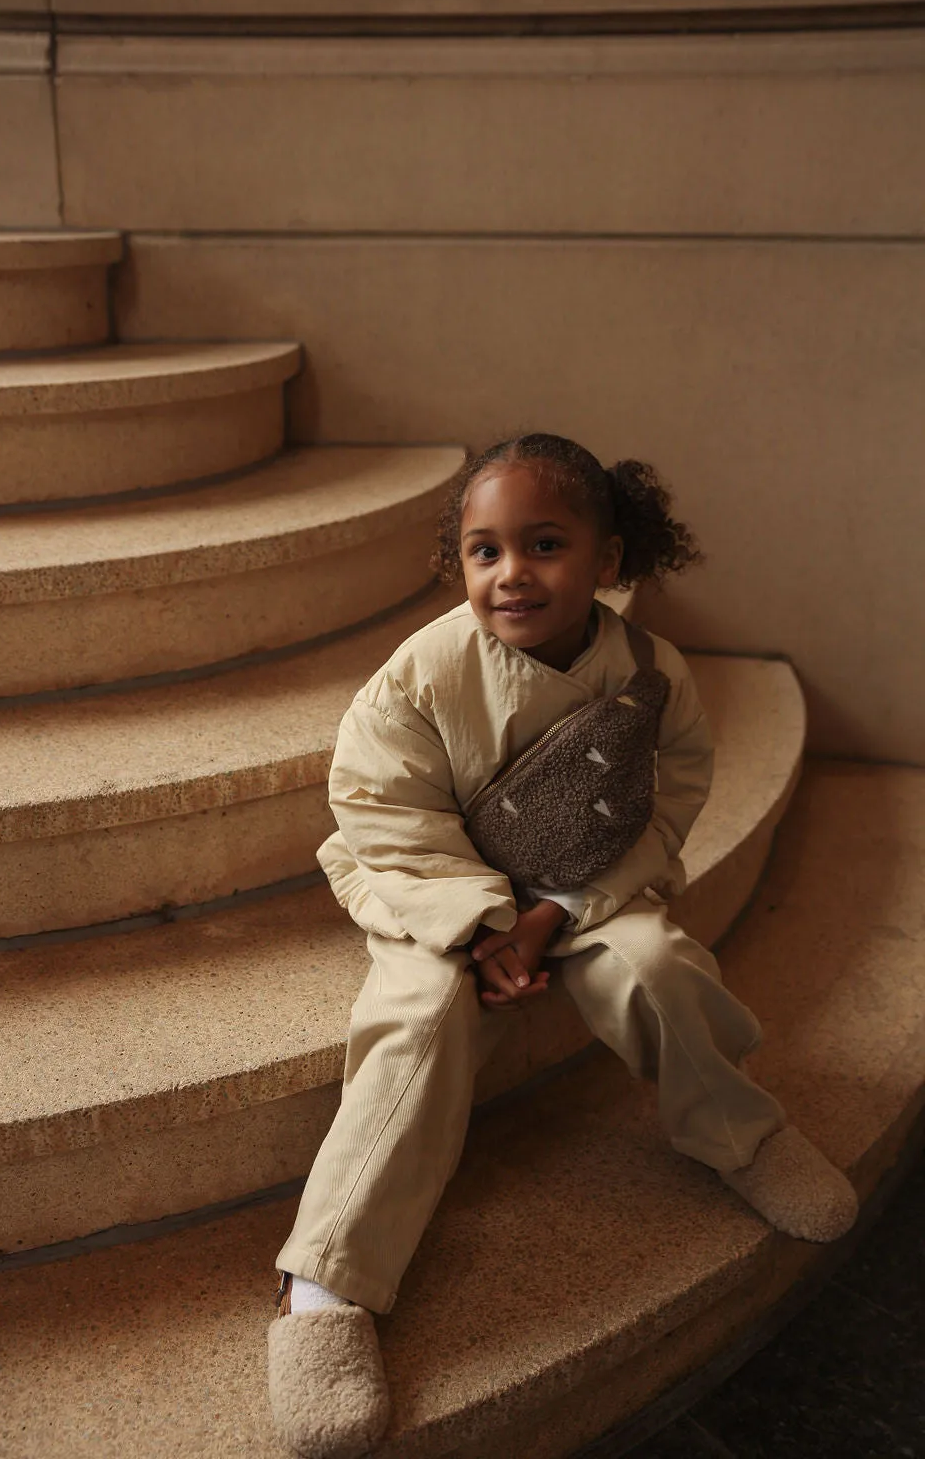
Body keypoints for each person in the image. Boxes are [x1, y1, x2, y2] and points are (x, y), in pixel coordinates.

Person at [267, 434, 857, 1459]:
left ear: (609, 561)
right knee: (420, 1014)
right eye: (483, 551)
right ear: (458, 566)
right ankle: (325, 1284)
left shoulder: (650, 676)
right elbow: (381, 807)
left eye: (543, 544)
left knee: (655, 965)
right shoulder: (423, 673)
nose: (511, 574)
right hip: (428, 886)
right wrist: (487, 925)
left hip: (587, 886)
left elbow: (661, 812)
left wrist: (554, 910)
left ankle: (740, 1132)